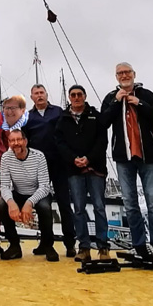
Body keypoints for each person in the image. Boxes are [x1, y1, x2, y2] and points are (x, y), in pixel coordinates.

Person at [99, 62, 153, 262]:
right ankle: (139, 245)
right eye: (120, 73)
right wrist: (116, 102)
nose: (124, 75)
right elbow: (102, 123)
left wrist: (138, 103)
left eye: (127, 72)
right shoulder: (109, 98)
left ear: (134, 74)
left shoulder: (147, 95)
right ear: (116, 77)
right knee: (130, 204)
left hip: (148, 156)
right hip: (124, 158)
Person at [56, 85, 109, 262]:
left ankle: (103, 247)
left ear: (85, 96)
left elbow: (103, 141)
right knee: (78, 209)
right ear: (69, 98)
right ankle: (84, 247)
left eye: (79, 94)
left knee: (99, 208)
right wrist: (73, 159)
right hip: (73, 170)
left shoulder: (96, 116)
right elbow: (60, 142)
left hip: (96, 169)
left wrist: (89, 158)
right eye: (73, 95)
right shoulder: (62, 119)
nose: (76, 97)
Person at [26, 84, 76, 257]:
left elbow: (68, 134)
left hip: (60, 163)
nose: (39, 96)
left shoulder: (59, 112)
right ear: (31, 97)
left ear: (47, 94)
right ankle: (46, 243)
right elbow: (25, 141)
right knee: (42, 205)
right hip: (39, 166)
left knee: (64, 203)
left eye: (42, 93)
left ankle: (70, 243)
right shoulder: (28, 117)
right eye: (36, 94)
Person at [0, 128, 58, 262]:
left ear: (25, 141)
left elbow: (44, 186)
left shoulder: (39, 156)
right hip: (18, 192)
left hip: (39, 193)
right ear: (8, 143)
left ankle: (48, 245)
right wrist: (11, 203)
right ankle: (14, 245)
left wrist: (29, 203)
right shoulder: (6, 157)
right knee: (1, 205)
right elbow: (4, 186)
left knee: (44, 208)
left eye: (19, 140)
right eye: (12, 140)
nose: (16, 143)